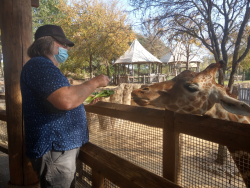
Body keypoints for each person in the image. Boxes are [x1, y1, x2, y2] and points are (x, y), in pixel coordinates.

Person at [20, 25, 109, 188]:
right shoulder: (39, 65)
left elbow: (58, 101)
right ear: (48, 43)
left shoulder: (43, 66)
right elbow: (65, 100)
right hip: (55, 149)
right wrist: (95, 82)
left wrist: (81, 104)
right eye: (62, 43)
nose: (67, 48)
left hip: (59, 149)